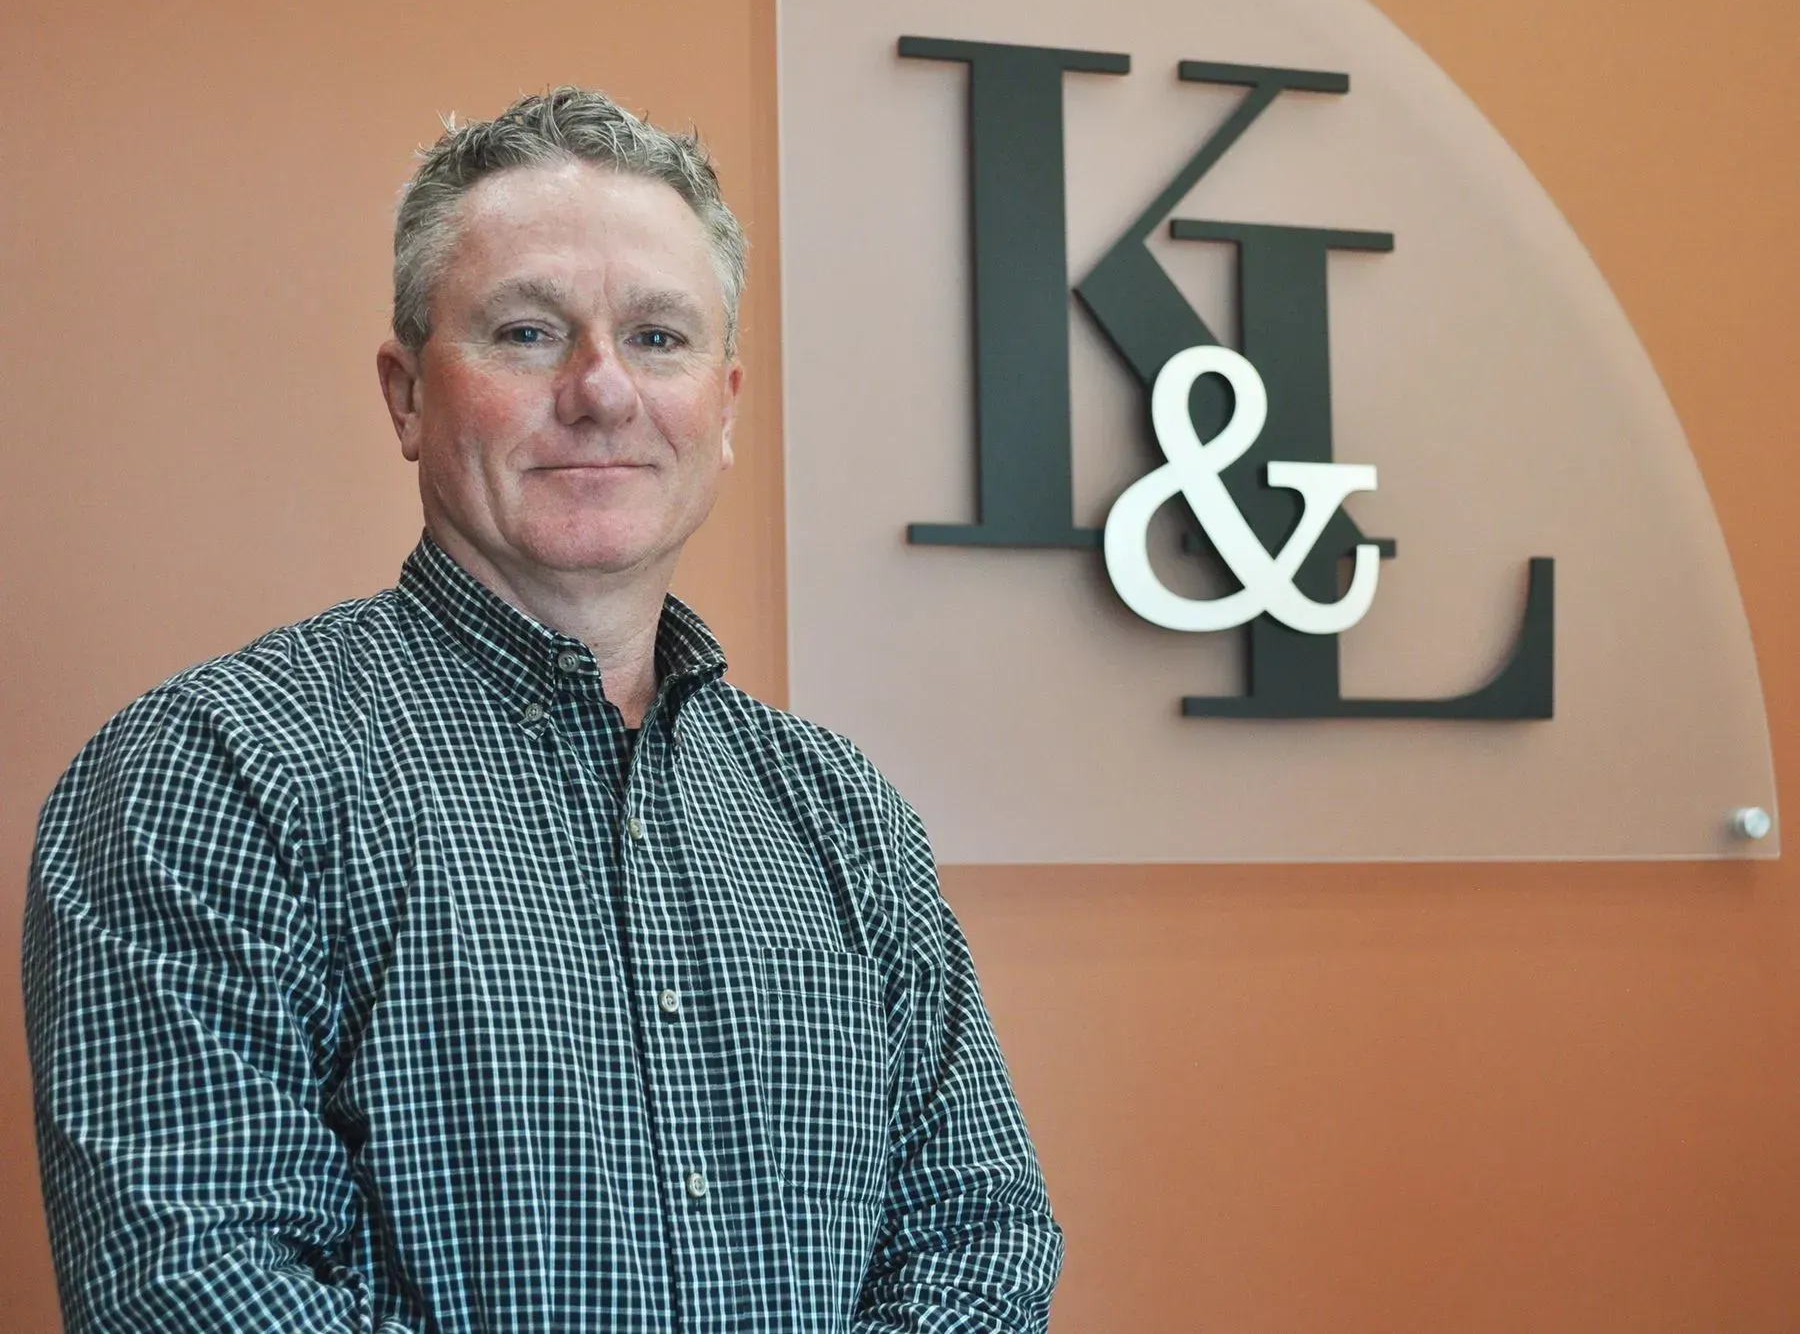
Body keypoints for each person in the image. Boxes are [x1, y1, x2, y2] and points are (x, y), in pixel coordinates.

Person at [23, 87, 1063, 1333]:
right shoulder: (211, 777)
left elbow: (981, 1238)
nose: (603, 391)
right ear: (406, 395)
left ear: (726, 408)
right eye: (526, 332)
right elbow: (192, 1292)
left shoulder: (844, 815)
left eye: (660, 338)